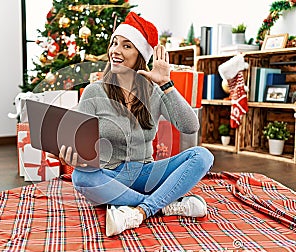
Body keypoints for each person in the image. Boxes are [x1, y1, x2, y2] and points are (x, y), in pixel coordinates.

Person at [58, 12, 214, 237]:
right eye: (114, 43)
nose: (115, 51)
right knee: (81, 178)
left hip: (146, 173)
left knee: (202, 155)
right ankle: (164, 206)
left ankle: (140, 211)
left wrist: (166, 84)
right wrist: (71, 155)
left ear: (140, 55)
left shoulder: (154, 93)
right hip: (110, 175)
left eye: (126, 45)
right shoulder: (94, 92)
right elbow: (79, 141)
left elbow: (190, 126)